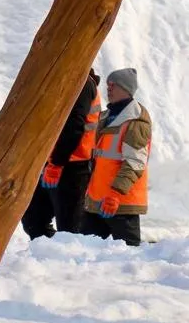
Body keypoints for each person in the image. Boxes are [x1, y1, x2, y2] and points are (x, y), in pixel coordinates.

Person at [23, 69, 100, 240]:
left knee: (69, 229)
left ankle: (69, 262)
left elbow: (74, 126)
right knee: (33, 220)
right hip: (48, 161)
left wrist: (57, 164)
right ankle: (47, 258)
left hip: (72, 167)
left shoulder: (83, 84)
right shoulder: (60, 81)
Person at [83, 68, 151, 246]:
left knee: (128, 257)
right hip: (97, 200)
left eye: (114, 85)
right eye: (108, 85)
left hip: (121, 204)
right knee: (87, 254)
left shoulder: (135, 121)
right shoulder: (106, 116)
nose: (109, 88)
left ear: (126, 89)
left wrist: (115, 195)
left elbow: (135, 163)